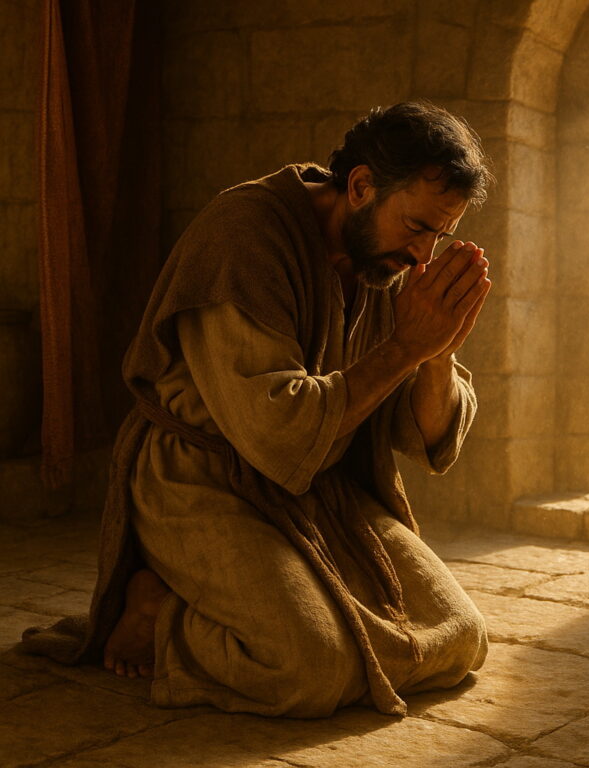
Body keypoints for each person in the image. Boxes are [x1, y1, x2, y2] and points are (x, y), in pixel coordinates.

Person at [23, 101, 493, 718]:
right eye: (416, 228)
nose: (424, 257)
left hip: (317, 486)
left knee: (459, 638)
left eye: (441, 233)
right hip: (202, 480)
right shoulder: (243, 233)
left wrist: (436, 351)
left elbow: (426, 435)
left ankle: (266, 609)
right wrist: (407, 345)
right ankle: (160, 609)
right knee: (310, 668)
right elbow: (275, 434)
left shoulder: (386, 258)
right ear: (359, 186)